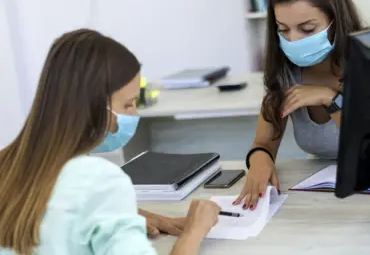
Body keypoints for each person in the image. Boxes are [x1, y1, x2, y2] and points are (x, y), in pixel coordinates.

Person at [0, 29, 220, 255]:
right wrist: (195, 230)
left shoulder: (8, 165)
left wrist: (137, 215)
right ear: (93, 107)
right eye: (127, 104)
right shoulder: (99, 180)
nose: (134, 113)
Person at [234, 0, 363, 209]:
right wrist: (260, 161)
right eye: (283, 29)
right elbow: (263, 143)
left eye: (307, 29)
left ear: (337, 20)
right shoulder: (285, 74)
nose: (293, 40)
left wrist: (331, 100)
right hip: (326, 198)